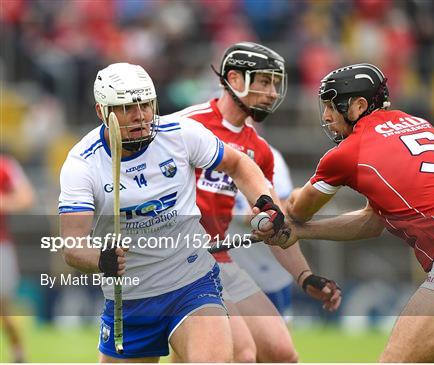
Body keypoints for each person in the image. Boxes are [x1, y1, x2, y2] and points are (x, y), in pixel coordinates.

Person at [264, 63, 434, 362]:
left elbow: (299, 210)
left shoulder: (349, 151)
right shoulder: (418, 123)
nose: (326, 116)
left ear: (359, 105)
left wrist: (286, 203)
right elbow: (373, 222)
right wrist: (300, 232)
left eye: (331, 105)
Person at [58, 62, 289, 362]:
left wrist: (265, 200)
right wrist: (101, 259)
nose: (140, 115)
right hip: (130, 301)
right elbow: (71, 244)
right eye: (127, 108)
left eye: (145, 105)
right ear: (103, 112)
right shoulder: (82, 164)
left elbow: (238, 164)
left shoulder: (180, 134)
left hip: (191, 283)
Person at [168, 42, 341, 363]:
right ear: (234, 80)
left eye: (275, 83)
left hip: (218, 258)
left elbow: (278, 225)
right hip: (178, 259)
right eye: (264, 82)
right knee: (241, 353)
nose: (273, 92)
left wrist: (305, 276)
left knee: (281, 354)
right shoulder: (186, 125)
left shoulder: (260, 152)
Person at [230, 146, 294, 321]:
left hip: (266, 266)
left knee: (279, 345)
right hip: (225, 265)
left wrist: (253, 215)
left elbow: (282, 209)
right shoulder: (207, 150)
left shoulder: (270, 155)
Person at [0, 154, 35, 363]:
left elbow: (26, 197)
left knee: (3, 307)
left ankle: (18, 352)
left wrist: (3, 202)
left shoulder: (4, 165)